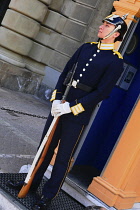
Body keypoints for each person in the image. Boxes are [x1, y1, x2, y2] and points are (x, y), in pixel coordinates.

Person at [7, 14, 128, 210]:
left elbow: (101, 93)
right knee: (44, 149)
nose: (101, 27)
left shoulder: (115, 62)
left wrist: (70, 107)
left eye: (107, 26)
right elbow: (66, 73)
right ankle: (29, 183)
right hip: (59, 106)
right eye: (103, 23)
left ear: (116, 34)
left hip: (77, 114)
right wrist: (57, 98)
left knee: (62, 158)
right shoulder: (86, 47)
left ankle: (47, 196)